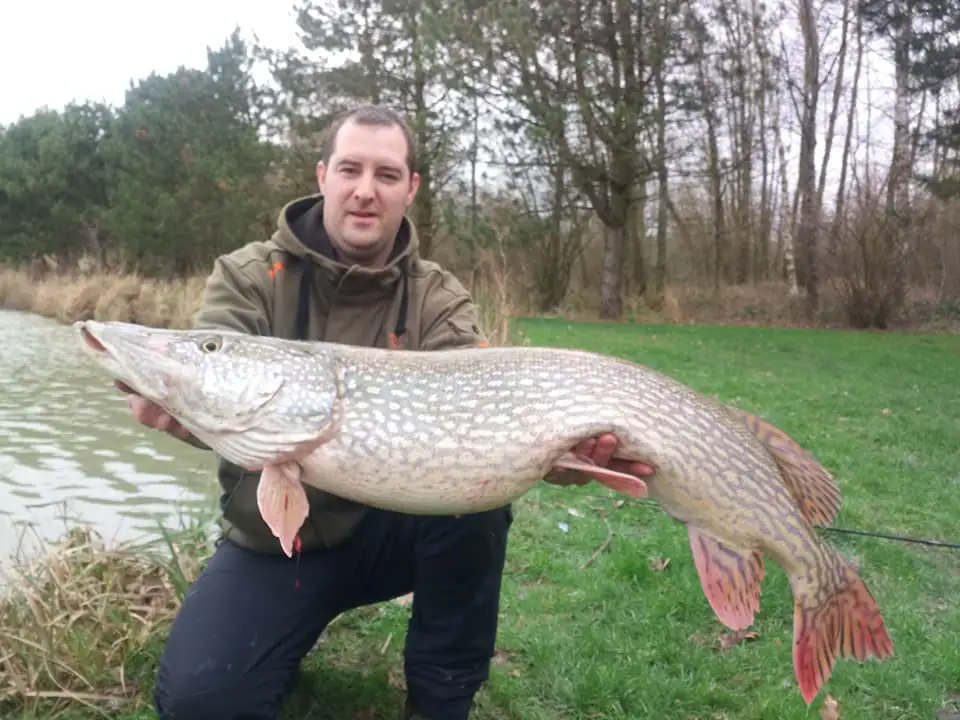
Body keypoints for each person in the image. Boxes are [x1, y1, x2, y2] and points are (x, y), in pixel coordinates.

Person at [121, 104, 653, 720]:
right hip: (279, 543)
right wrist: (186, 408)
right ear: (322, 176)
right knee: (199, 702)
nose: (365, 191)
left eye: (387, 174)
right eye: (350, 169)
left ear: (411, 188)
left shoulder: (436, 297)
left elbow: (485, 429)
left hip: (399, 528)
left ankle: (441, 700)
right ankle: (274, 638)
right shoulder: (249, 277)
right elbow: (223, 383)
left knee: (477, 504)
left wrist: (556, 456)